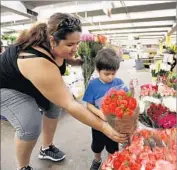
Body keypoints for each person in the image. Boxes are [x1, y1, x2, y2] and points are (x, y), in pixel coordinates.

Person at [0, 13, 129, 170]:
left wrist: (76, 61)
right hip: (6, 87)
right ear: (53, 41)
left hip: (26, 80)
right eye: (70, 45)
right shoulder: (36, 60)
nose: (75, 48)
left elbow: (63, 55)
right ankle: (23, 166)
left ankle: (46, 148)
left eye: (77, 43)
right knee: (30, 123)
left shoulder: (53, 43)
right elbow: (70, 104)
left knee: (54, 105)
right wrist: (103, 127)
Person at [83, 48, 130, 170]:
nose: (110, 77)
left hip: (114, 124)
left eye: (113, 74)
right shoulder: (93, 85)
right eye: (106, 74)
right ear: (98, 70)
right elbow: (88, 105)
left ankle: (110, 163)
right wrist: (99, 112)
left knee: (112, 146)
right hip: (98, 124)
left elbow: (127, 98)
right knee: (97, 146)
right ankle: (97, 160)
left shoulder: (119, 82)